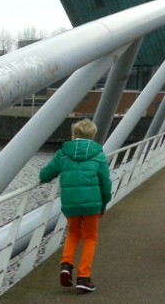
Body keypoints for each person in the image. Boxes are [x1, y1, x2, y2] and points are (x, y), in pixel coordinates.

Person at [39, 118, 112, 293]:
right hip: (92, 205)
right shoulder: (98, 154)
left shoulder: (63, 153)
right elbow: (105, 184)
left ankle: (66, 264)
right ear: (93, 135)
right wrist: (103, 205)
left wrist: (45, 176)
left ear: (74, 134)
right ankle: (84, 277)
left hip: (71, 203)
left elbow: (45, 175)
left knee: (72, 233)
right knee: (90, 238)